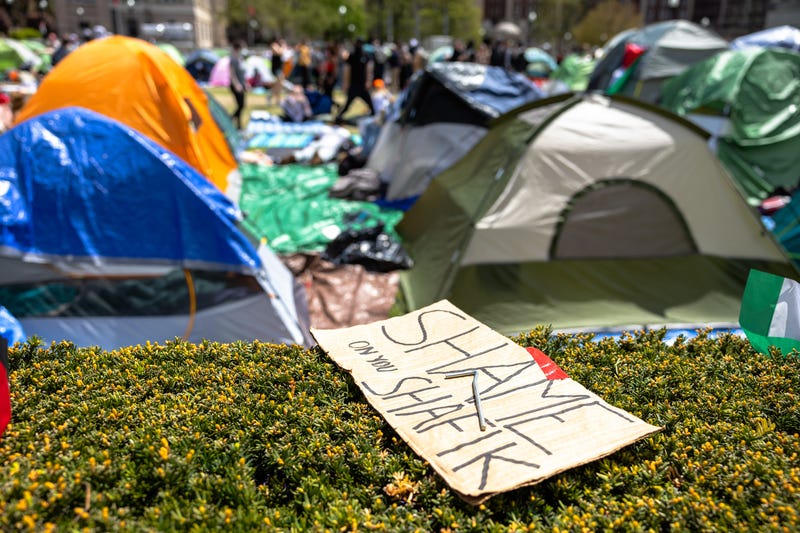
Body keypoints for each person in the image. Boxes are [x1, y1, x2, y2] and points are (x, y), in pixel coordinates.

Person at [335, 38, 375, 124]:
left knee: (371, 106)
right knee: (347, 104)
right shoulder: (352, 56)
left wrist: (368, 81)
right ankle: (339, 117)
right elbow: (347, 71)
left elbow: (369, 69)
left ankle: (372, 116)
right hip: (354, 85)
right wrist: (345, 84)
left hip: (362, 85)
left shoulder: (365, 56)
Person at [229, 40, 247, 129]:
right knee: (240, 105)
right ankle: (231, 119)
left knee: (242, 105)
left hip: (242, 84)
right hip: (236, 85)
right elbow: (232, 74)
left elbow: (242, 73)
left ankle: (238, 125)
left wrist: (246, 83)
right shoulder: (233, 59)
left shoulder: (241, 58)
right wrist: (236, 84)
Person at [269, 38, 285, 105]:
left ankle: (271, 97)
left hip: (279, 68)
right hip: (276, 68)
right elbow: (279, 53)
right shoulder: (274, 45)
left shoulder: (279, 47)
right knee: (278, 84)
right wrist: (282, 47)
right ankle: (276, 100)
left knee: (278, 85)